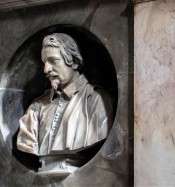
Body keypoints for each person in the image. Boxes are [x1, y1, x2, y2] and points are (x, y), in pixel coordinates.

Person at [16, 33, 114, 175]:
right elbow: (26, 141)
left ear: (73, 61)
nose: (46, 69)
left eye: (53, 61)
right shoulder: (36, 107)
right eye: (44, 62)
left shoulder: (97, 102)